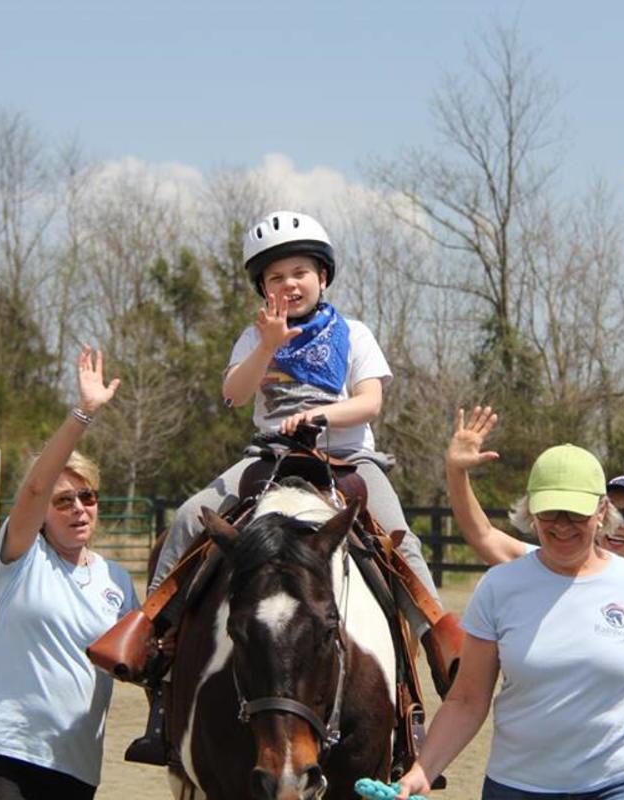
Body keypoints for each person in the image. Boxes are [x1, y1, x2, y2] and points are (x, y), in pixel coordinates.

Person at [105, 210, 461, 764]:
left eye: (299, 271)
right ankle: (155, 639)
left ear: (322, 276)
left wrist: (321, 413)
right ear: (262, 289)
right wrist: (266, 345)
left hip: (345, 457)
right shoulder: (254, 334)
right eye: (275, 277)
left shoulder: (355, 333)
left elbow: (370, 401)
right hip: (268, 458)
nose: (289, 284)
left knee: (398, 538)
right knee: (187, 516)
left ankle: (443, 648)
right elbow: (234, 393)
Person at [395, 439, 624, 799]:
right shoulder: (499, 588)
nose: (562, 525)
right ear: (531, 511)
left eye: (576, 513)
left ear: (602, 511)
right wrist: (424, 770)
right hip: (520, 784)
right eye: (549, 512)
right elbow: (467, 701)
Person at [446, 406, 624, 788]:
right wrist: (457, 472)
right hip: (528, 777)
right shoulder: (531, 568)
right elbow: (483, 534)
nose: (563, 523)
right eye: (552, 511)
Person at [0, 345, 139, 799]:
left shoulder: (116, 581)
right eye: (63, 501)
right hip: (6, 750)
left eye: (88, 498)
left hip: (76, 764)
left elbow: (140, 658)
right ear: (41, 513)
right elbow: (37, 483)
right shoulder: (22, 557)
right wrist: (84, 412)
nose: (79, 509)